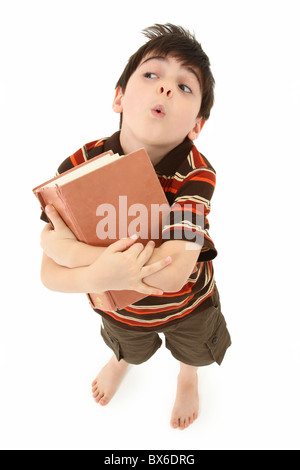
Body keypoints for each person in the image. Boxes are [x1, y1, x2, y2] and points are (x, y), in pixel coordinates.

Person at [39, 23, 231, 431]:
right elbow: (48, 267)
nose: (165, 88)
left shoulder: (195, 173)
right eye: (152, 74)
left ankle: (187, 375)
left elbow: (175, 270)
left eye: (184, 87)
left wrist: (86, 263)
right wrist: (100, 274)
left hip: (187, 303)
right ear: (119, 97)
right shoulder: (80, 166)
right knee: (129, 345)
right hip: (118, 308)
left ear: (196, 125)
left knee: (194, 347)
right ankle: (122, 360)